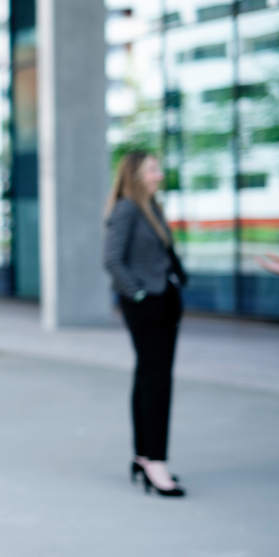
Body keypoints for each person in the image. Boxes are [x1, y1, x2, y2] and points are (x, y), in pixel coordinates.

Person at [103, 150, 187, 497]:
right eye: (153, 169)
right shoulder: (127, 208)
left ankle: (143, 456)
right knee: (156, 381)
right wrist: (139, 294)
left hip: (164, 300)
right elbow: (112, 259)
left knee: (150, 377)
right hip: (147, 304)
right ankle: (155, 462)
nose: (159, 174)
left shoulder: (151, 207)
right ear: (136, 174)